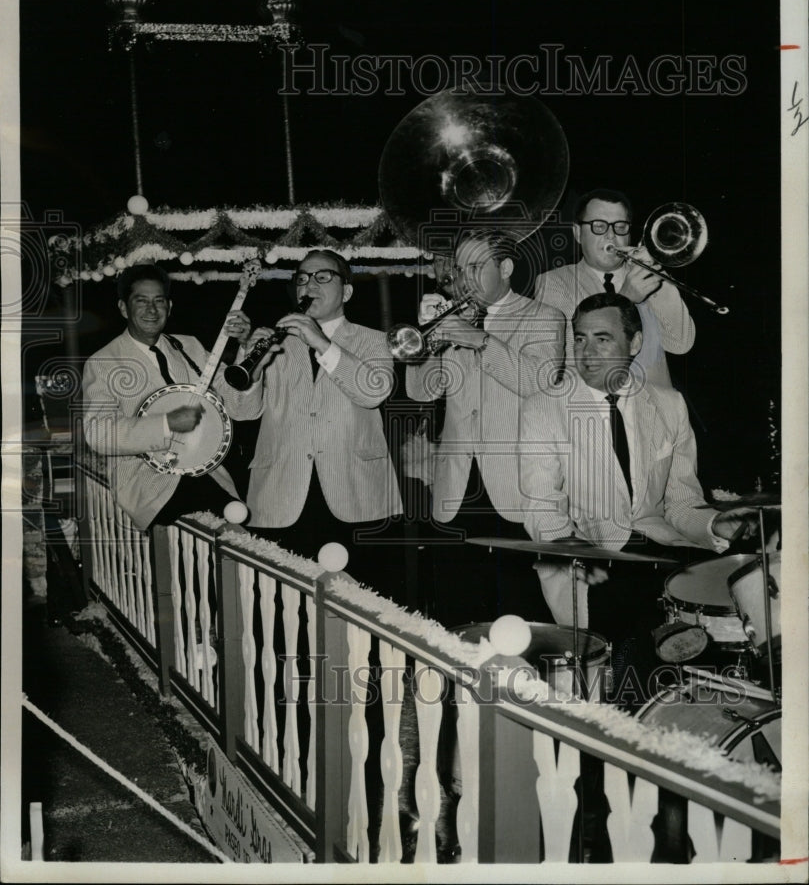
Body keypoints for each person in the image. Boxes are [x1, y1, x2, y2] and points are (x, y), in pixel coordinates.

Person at [519, 292, 755, 701]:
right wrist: (591, 559)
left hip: (659, 550)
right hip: (588, 561)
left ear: (635, 343)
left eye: (602, 338)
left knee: (733, 603)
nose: (586, 352)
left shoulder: (669, 405)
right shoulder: (543, 409)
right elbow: (543, 512)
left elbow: (682, 501)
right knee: (639, 634)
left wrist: (717, 524)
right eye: (578, 339)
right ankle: (628, 726)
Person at [406, 228, 565, 627]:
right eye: (460, 269)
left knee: (518, 615)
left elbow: (539, 382)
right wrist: (426, 340)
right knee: (456, 614)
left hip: (516, 487)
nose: (463, 278)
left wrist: (478, 339)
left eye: (476, 267)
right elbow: (421, 392)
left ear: (506, 267)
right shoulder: (454, 319)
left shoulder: (544, 317)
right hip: (455, 488)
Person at [229, 249, 403, 590]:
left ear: (347, 292)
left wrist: (320, 341)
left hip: (355, 495)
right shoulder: (272, 340)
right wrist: (255, 366)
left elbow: (373, 391)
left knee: (361, 607)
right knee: (283, 610)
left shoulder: (373, 341)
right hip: (281, 496)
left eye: (323, 277)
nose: (310, 285)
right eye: (303, 278)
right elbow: (240, 411)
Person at [82, 264, 251, 530]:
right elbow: (98, 433)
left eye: (159, 301)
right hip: (150, 485)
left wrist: (246, 348)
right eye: (142, 301)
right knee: (230, 529)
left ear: (169, 308)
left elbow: (240, 406)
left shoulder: (190, 346)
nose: (152, 310)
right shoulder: (103, 362)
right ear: (123, 308)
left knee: (240, 526)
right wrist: (166, 424)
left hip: (206, 473)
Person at [534, 188, 695, 388]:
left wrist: (658, 274)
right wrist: (626, 300)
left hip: (653, 413)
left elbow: (680, 343)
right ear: (577, 233)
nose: (611, 235)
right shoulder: (553, 282)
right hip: (591, 411)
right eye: (599, 226)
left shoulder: (643, 275)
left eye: (620, 226)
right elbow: (570, 360)